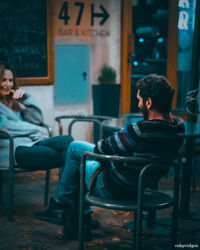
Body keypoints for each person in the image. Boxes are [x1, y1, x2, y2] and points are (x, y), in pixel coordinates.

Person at [34, 74, 185, 240]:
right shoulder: (178, 130)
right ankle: (78, 220)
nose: (138, 104)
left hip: (113, 187)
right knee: (79, 158)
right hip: (141, 186)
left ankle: (62, 205)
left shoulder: (139, 130)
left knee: (74, 150)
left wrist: (112, 152)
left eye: (140, 100)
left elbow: (101, 148)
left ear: (149, 102)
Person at [0, 61, 73, 170]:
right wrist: (37, 130)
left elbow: (37, 119)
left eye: (10, 80)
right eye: (4, 80)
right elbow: (5, 126)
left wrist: (25, 99)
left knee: (67, 140)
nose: (8, 85)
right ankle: (75, 185)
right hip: (12, 149)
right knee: (66, 154)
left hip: (31, 143)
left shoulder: (15, 103)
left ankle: (68, 186)